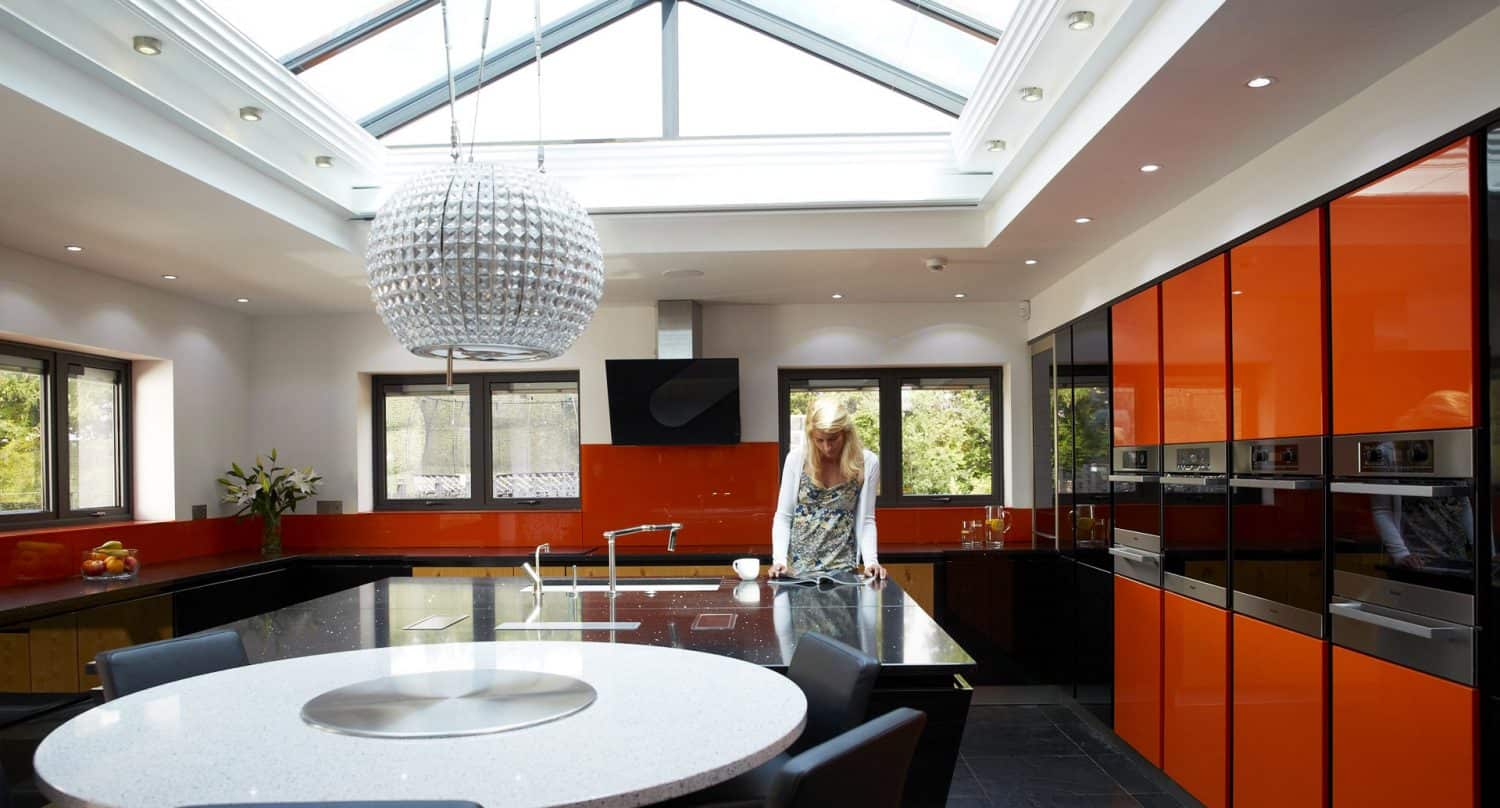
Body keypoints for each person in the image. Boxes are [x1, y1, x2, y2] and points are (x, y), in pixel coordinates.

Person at [770, 397, 886, 579]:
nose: (827, 447)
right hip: (798, 572)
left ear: (846, 433)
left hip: (843, 570)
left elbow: (867, 520)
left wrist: (872, 562)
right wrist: (779, 560)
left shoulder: (867, 463)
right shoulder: (796, 459)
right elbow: (784, 516)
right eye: (820, 440)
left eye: (833, 439)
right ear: (811, 436)